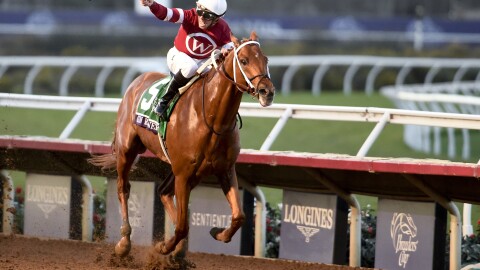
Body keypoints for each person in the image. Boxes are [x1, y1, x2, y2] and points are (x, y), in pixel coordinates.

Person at [141, 0, 234, 119]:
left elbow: (230, 46)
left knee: (217, 76)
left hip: (202, 62)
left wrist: (227, 50)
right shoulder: (190, 15)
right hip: (178, 55)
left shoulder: (223, 28)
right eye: (200, 12)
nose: (201, 17)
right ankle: (164, 100)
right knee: (190, 67)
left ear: (217, 19)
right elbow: (167, 14)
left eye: (207, 16)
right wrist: (152, 5)